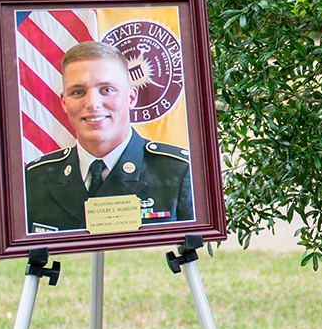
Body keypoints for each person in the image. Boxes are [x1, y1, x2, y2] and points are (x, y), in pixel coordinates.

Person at [25, 40, 195, 233]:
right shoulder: (35, 177)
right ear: (64, 103)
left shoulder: (178, 172)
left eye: (107, 90)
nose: (92, 103)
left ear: (131, 97)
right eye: (78, 92)